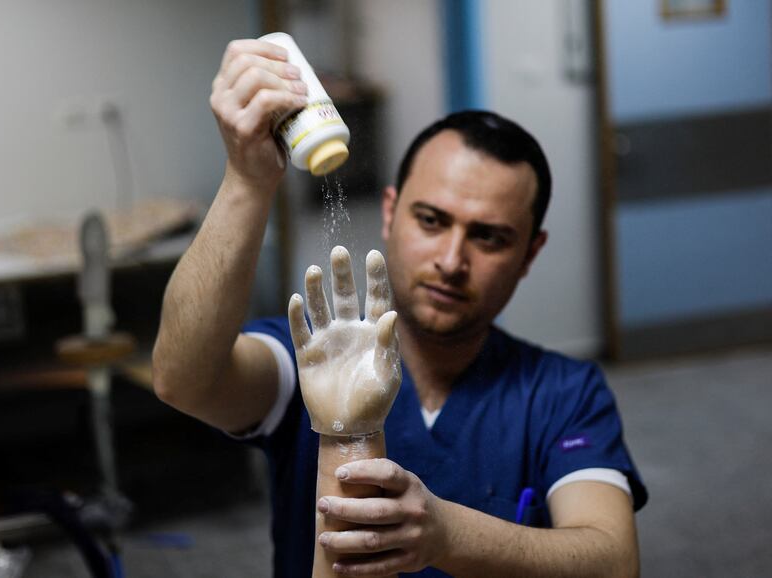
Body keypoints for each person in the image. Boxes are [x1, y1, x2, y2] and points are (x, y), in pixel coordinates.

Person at [152, 38, 647, 578]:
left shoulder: (561, 394)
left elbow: (614, 563)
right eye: (431, 221)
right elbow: (184, 378)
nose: (452, 260)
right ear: (390, 213)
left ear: (530, 253)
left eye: (489, 238)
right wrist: (247, 178)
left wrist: (448, 535)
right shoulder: (314, 363)